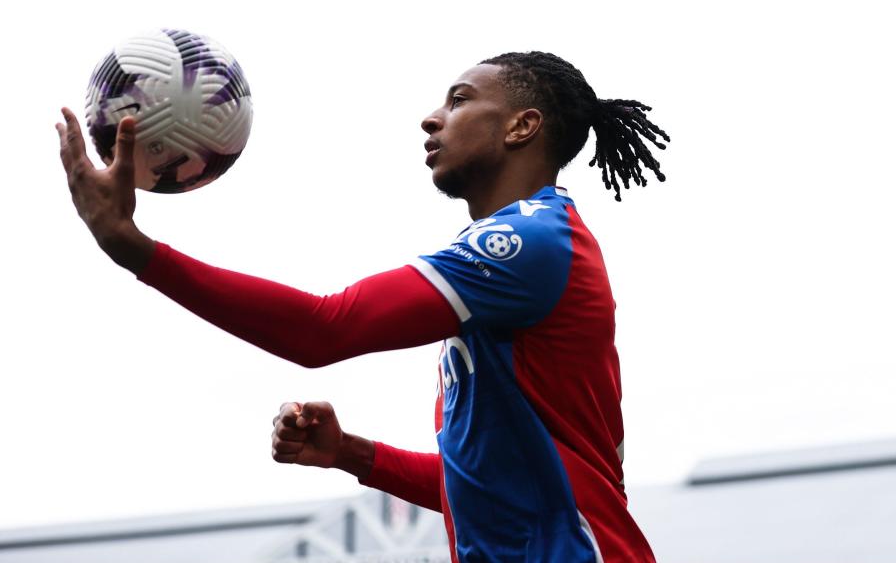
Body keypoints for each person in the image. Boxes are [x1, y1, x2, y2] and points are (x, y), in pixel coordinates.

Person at [57, 51, 669, 562]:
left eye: (458, 100)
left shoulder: (529, 243)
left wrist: (133, 248)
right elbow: (483, 480)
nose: (432, 119)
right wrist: (350, 453)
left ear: (521, 127)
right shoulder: (524, 256)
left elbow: (325, 328)